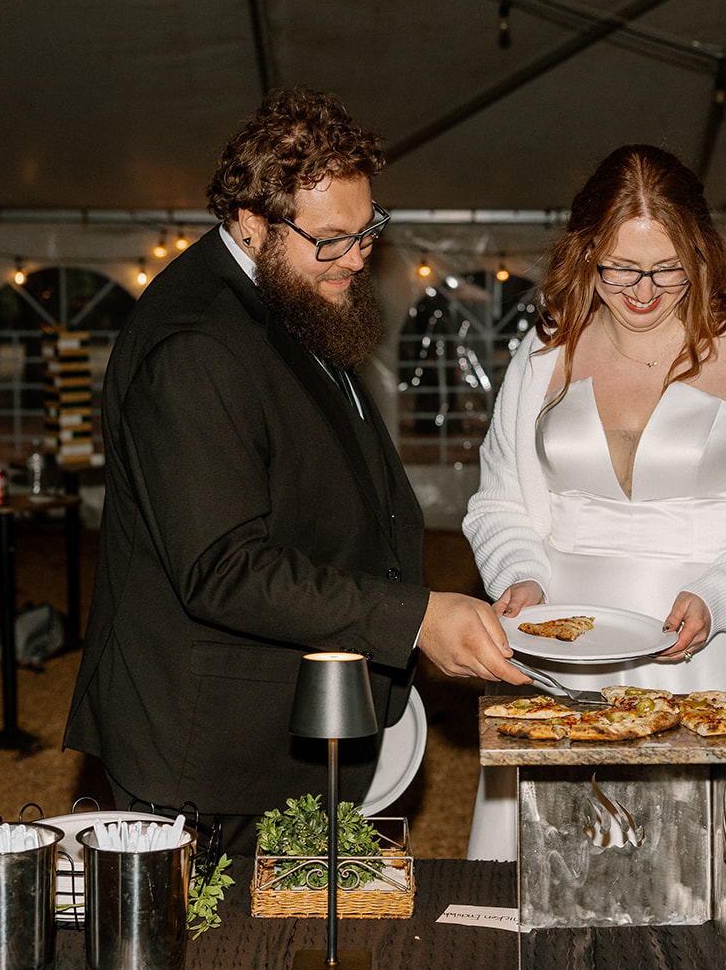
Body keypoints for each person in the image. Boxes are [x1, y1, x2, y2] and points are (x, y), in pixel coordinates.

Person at [63, 87, 528, 854]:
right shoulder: (195, 346)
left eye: (368, 230)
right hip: (209, 752)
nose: (356, 256)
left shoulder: (288, 289)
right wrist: (411, 618)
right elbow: (223, 568)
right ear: (250, 220)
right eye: (331, 239)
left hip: (280, 726)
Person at [463, 144, 726, 862]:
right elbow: (499, 502)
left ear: (700, 254)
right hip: (571, 652)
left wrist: (721, 594)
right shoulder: (544, 351)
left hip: (715, 650)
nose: (643, 291)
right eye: (620, 269)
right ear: (584, 256)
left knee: (708, 876)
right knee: (569, 869)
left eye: (667, 269)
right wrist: (518, 573)